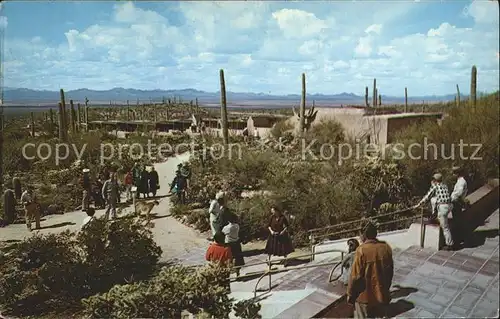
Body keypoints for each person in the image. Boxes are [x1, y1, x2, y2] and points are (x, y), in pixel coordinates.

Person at [347, 221, 394, 319]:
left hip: (364, 299)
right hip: (381, 296)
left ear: (364, 235)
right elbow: (390, 273)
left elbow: (355, 277)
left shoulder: (361, 250)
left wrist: (350, 295)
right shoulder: (386, 247)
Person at [415, 173, 454, 250]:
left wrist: (418, 205)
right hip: (449, 206)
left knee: (445, 227)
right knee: (434, 199)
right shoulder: (444, 185)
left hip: (443, 207)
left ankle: (450, 244)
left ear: (434, 180)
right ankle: (435, 214)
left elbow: (427, 196)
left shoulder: (435, 186)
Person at [222, 212, 245, 277]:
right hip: (236, 243)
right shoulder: (237, 226)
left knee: (229, 259)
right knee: (237, 258)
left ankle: (228, 273)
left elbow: (223, 232)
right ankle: (238, 273)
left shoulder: (227, 228)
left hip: (229, 244)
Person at [450, 166, 468, 246]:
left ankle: (458, 239)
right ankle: (459, 238)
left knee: (457, 221)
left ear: (457, 173)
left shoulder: (461, 182)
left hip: (457, 203)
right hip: (457, 202)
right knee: (457, 220)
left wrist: (453, 197)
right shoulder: (460, 181)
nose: (453, 175)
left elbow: (460, 192)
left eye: (454, 173)